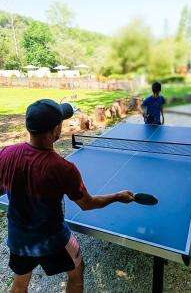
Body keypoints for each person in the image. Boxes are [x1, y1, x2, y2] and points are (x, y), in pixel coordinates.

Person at [0, 99, 134, 293]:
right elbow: (87, 204)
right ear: (56, 130)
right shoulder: (64, 169)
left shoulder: (6, 154)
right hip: (53, 239)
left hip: (19, 238)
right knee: (77, 271)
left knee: (20, 282)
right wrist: (117, 196)